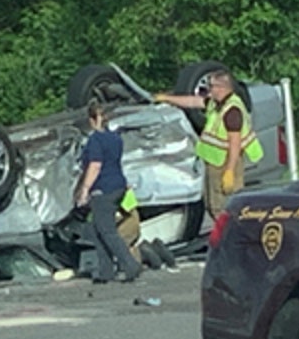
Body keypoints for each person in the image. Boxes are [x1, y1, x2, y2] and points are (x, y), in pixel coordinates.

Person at [155, 69, 263, 218]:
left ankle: (229, 238)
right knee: (212, 205)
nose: (209, 90)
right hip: (213, 161)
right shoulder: (215, 103)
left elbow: (235, 144)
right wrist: (167, 98)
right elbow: (193, 101)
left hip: (225, 163)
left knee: (223, 208)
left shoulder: (232, 111)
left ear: (222, 88)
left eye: (212, 86)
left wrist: (230, 171)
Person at [74, 104, 142, 283]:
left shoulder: (96, 140)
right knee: (97, 230)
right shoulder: (115, 138)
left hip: (103, 189)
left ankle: (130, 265)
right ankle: (106, 271)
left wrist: (84, 189)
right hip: (118, 185)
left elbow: (95, 165)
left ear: (91, 120)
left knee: (107, 230)